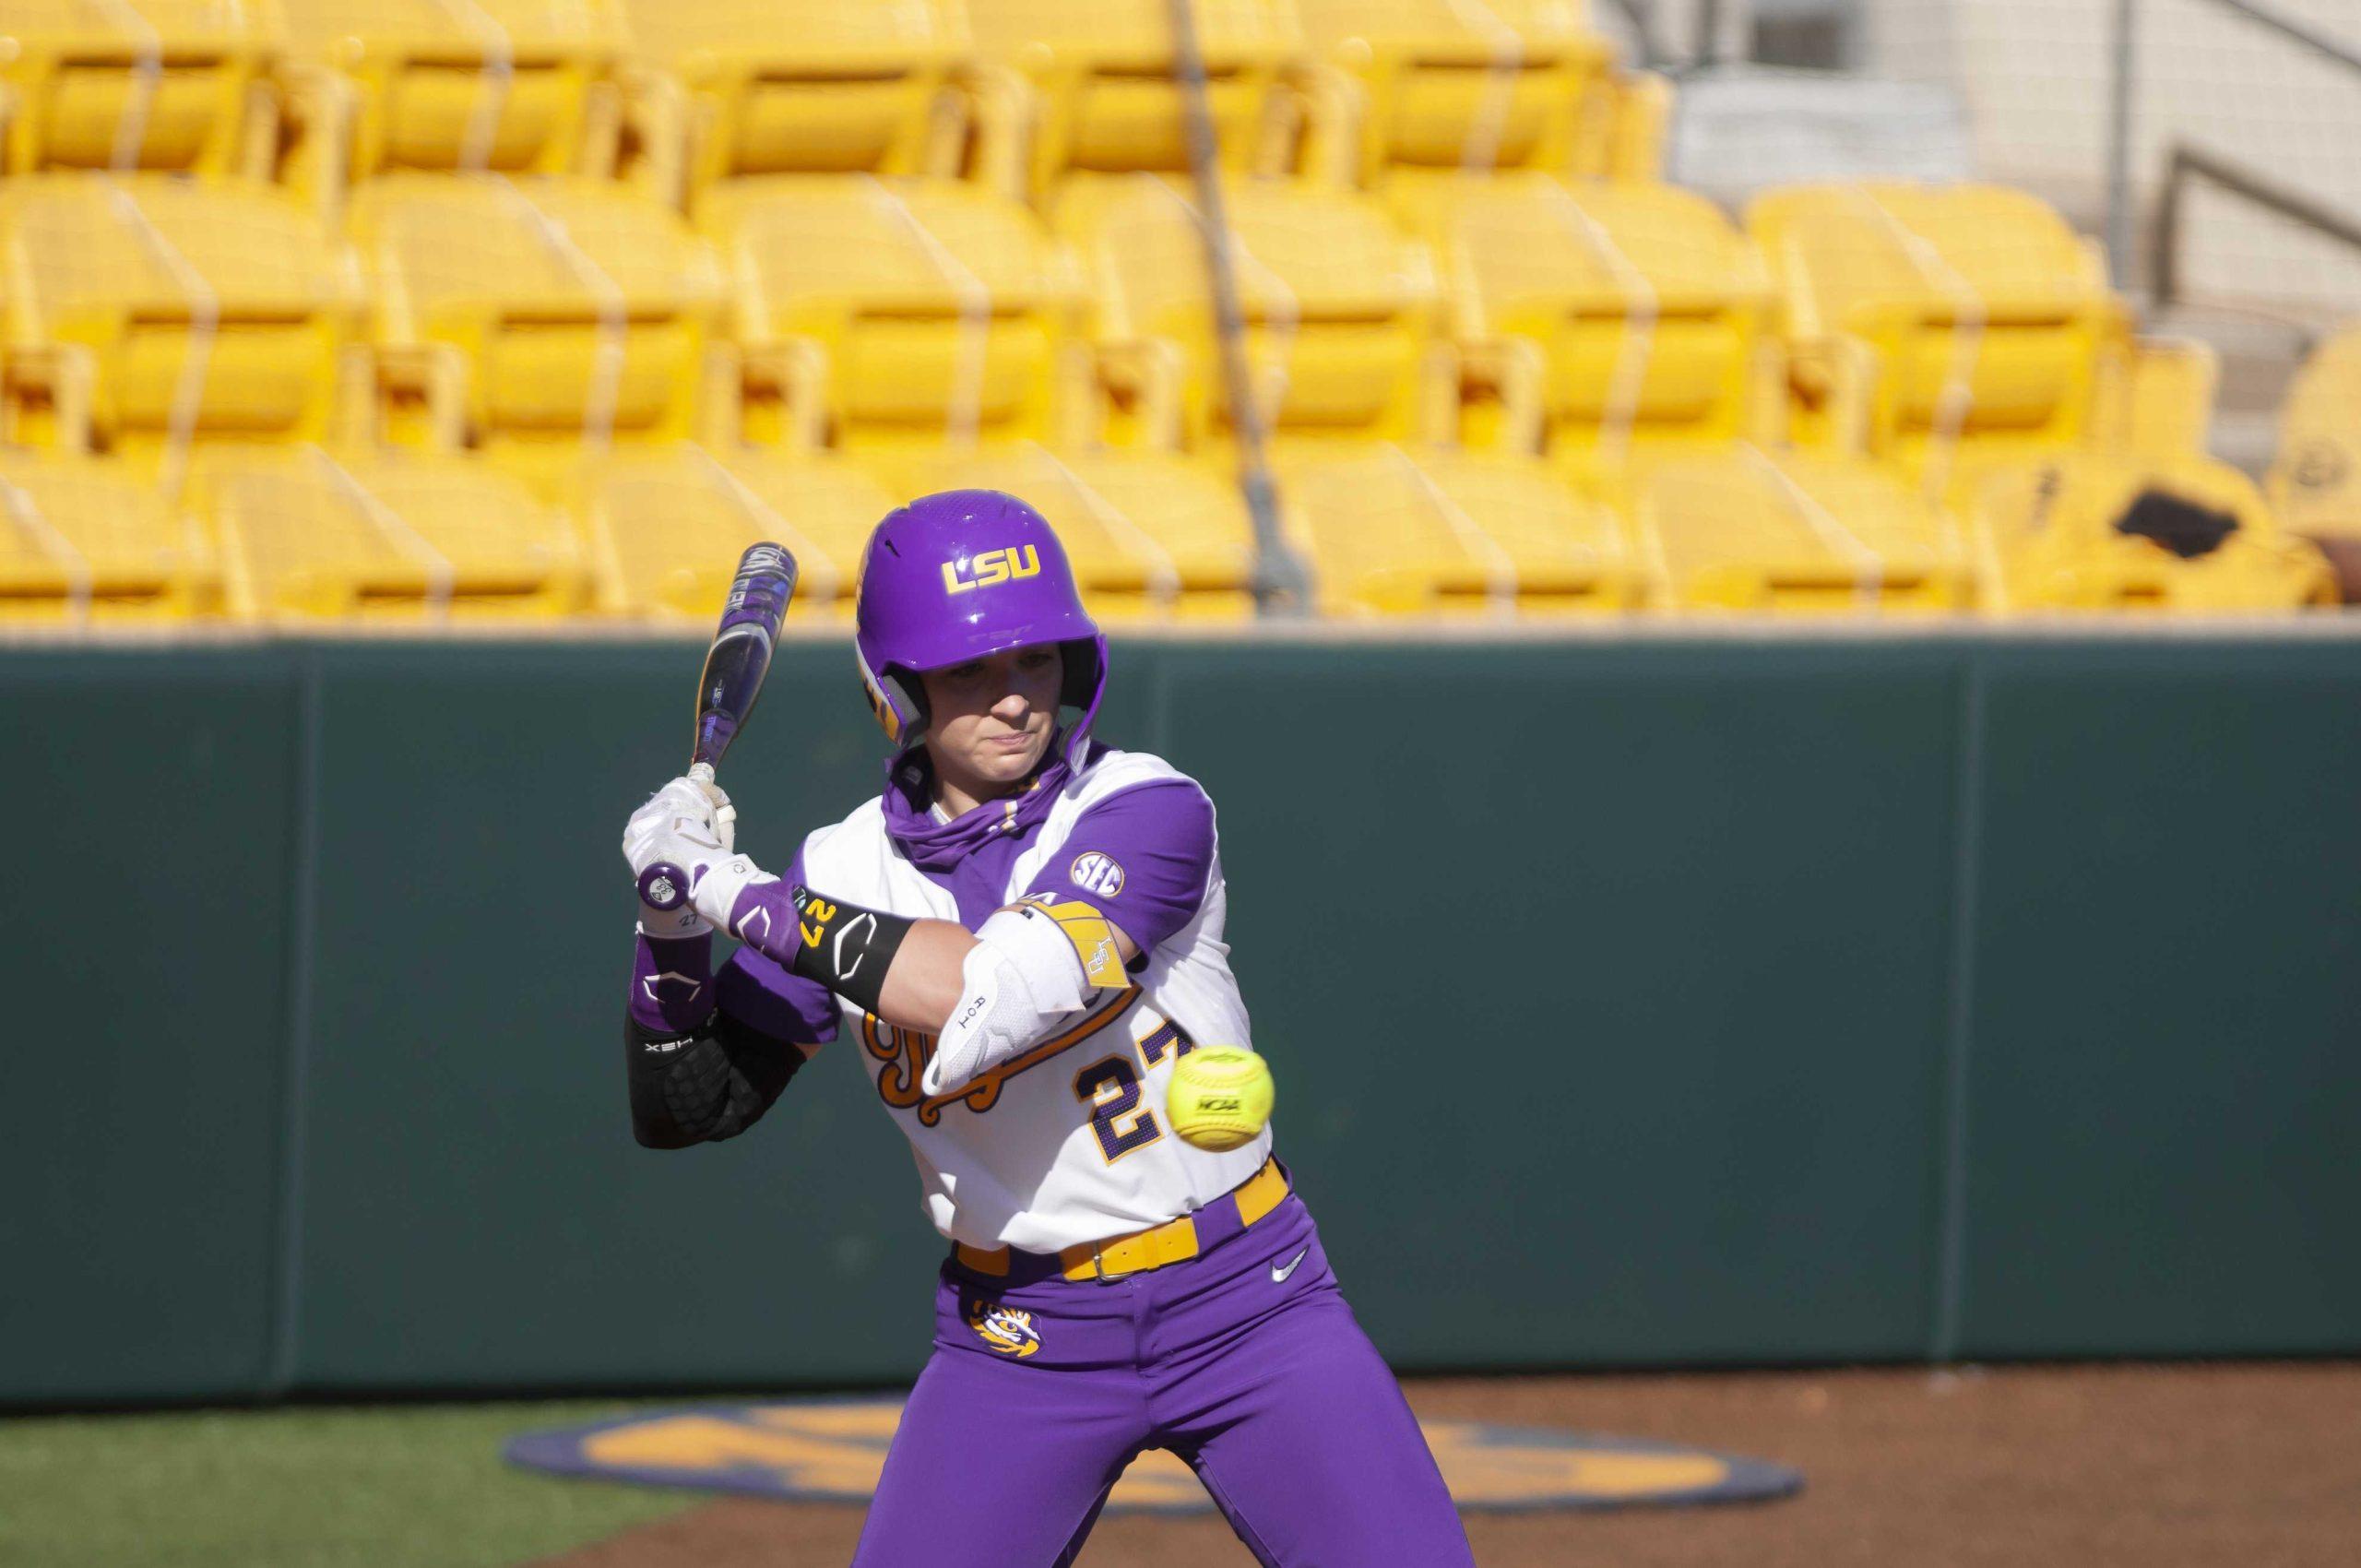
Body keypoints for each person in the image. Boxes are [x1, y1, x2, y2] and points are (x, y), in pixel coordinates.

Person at [619, 491, 1474, 1568]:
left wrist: (730, 892)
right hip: (1016, 1338)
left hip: (1248, 1305)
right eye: (971, 671)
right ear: (899, 690)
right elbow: (687, 1103)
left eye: (1035, 660)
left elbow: (991, 991)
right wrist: (668, 926)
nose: (1016, 698)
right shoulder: (840, 873)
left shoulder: (1147, 808)